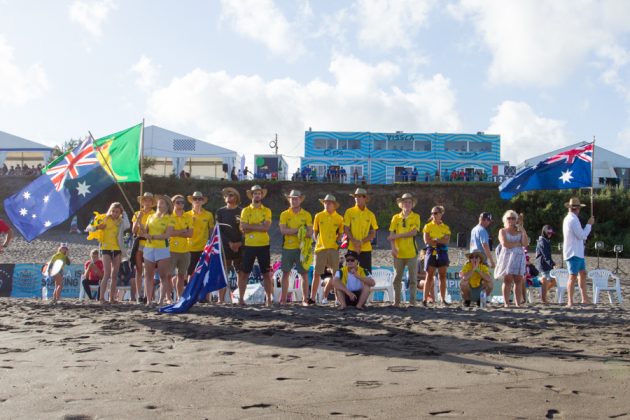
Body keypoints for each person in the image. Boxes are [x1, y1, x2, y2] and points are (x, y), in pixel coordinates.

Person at [135, 195, 174, 306]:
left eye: (162, 203)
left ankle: (161, 300)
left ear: (167, 206)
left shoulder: (170, 218)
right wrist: (139, 220)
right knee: (148, 275)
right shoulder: (150, 217)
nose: (159, 204)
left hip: (162, 248)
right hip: (149, 248)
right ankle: (148, 300)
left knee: (163, 275)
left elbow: (167, 235)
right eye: (159, 202)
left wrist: (153, 237)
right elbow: (144, 232)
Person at [238, 185, 273, 306]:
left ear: (261, 195)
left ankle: (268, 299)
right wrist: (260, 226)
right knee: (244, 273)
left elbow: (266, 227)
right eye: (255, 193)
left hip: (263, 244)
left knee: (266, 274)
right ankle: (241, 299)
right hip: (249, 245)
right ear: (251, 195)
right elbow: (243, 228)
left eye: (259, 193)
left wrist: (251, 226)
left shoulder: (267, 210)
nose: (257, 195)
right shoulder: (245, 210)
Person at [278, 190, 313, 305]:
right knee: (285, 273)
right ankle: (283, 299)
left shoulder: (306, 214)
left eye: (296, 198)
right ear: (289, 199)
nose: (294, 200)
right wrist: (299, 230)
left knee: (304, 274)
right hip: (287, 247)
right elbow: (283, 231)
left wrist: (292, 231)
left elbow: (309, 232)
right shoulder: (284, 214)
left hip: (302, 248)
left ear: (300, 200)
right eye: (292, 198)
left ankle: (304, 299)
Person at [388, 193, 420, 307]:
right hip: (398, 253)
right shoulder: (395, 217)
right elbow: (391, 233)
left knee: (413, 279)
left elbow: (413, 233)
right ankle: (396, 302)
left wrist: (397, 236)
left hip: (412, 252)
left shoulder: (416, 216)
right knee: (397, 279)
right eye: (405, 202)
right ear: (401, 204)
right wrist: (393, 248)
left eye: (409, 202)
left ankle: (412, 302)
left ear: (412, 204)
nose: (407, 204)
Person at [562, 197, 595, 307]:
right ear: (577, 209)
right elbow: (582, 235)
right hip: (573, 252)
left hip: (577, 252)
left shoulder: (572, 218)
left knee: (582, 274)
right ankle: (570, 301)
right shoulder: (572, 219)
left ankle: (584, 298)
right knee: (573, 276)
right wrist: (589, 224)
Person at [312, 194, 344, 305]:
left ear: (334, 205)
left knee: (336, 275)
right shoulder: (318, 216)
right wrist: (317, 241)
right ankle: (312, 298)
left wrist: (337, 242)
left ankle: (337, 299)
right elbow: (315, 231)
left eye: (329, 203)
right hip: (320, 248)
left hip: (333, 249)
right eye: (325, 202)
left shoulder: (339, 218)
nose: (327, 204)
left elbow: (341, 233)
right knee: (316, 273)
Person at [495, 210, 529, 307]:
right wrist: (518, 244)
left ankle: (518, 303)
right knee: (508, 279)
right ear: (505, 220)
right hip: (507, 257)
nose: (510, 220)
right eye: (508, 218)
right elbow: (505, 244)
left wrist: (523, 230)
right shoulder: (502, 231)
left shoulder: (520, 230)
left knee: (518, 280)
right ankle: (506, 303)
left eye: (513, 218)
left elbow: (525, 243)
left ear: (516, 219)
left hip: (519, 257)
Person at [216, 187, 243, 303]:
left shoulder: (242, 211)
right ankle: (220, 299)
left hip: (240, 246)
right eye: (227, 195)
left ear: (236, 198)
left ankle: (240, 298)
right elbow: (219, 230)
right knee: (223, 273)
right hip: (225, 246)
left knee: (240, 272)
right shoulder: (220, 212)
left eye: (231, 195)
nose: (229, 197)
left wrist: (240, 243)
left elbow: (245, 229)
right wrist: (230, 243)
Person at [94, 202, 125, 303]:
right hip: (106, 248)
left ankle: (112, 298)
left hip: (117, 249)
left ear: (120, 212)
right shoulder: (106, 219)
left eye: (117, 212)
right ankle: (102, 297)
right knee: (106, 274)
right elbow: (96, 226)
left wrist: (124, 214)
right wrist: (97, 227)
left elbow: (128, 225)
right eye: (113, 211)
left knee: (114, 274)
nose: (115, 213)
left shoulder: (121, 221)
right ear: (110, 211)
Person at [343, 188, 378, 274]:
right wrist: (355, 242)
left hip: (366, 249)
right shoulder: (349, 212)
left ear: (365, 198)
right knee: (349, 274)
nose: (356, 198)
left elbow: (373, 233)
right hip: (352, 247)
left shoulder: (370, 214)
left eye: (359, 196)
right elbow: (346, 229)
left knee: (366, 275)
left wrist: (361, 242)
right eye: (355, 196)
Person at [422, 206, 451, 306]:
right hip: (431, 251)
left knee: (442, 276)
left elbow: (446, 241)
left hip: (442, 252)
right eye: (432, 213)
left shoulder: (446, 227)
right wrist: (440, 239)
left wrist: (435, 240)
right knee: (429, 276)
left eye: (435, 213)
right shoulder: (428, 226)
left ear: (441, 213)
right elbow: (427, 241)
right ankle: (425, 299)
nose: (433, 215)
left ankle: (443, 299)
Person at [131, 192, 156, 302]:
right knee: (139, 270)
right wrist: (138, 219)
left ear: (152, 202)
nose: (147, 202)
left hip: (150, 243)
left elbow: (153, 230)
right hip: (139, 243)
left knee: (149, 271)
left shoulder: (155, 214)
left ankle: (148, 294)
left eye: (149, 200)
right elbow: (133, 231)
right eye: (145, 200)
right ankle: (139, 295)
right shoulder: (137, 213)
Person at [186, 191, 214, 283]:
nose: (197, 201)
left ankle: (202, 296)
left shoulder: (209, 214)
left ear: (202, 201)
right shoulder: (186, 215)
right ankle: (189, 295)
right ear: (192, 201)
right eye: (195, 199)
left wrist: (211, 245)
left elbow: (211, 231)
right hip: (189, 248)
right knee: (190, 273)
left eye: (200, 199)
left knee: (203, 272)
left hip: (204, 248)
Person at [170, 194, 193, 301]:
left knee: (182, 275)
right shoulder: (169, 215)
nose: (180, 204)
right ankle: (168, 297)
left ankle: (180, 297)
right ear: (173, 203)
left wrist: (176, 232)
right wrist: (182, 231)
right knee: (168, 275)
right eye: (178, 202)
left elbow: (190, 234)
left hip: (185, 249)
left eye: (182, 202)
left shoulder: (188, 216)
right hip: (171, 249)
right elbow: (169, 233)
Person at [535, 225, 557, 303]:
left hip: (547, 264)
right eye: (548, 233)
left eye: (551, 233)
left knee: (554, 281)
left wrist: (551, 263)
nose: (550, 234)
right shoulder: (542, 241)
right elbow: (546, 255)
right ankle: (543, 299)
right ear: (544, 232)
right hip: (542, 265)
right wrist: (552, 264)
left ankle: (542, 293)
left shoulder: (546, 240)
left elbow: (548, 255)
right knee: (546, 280)